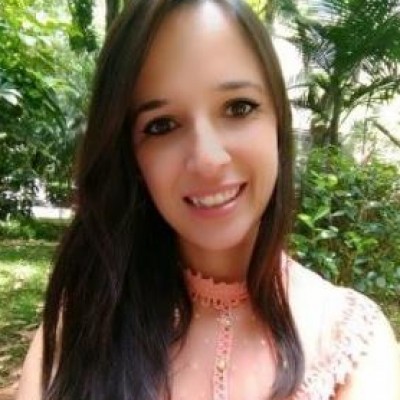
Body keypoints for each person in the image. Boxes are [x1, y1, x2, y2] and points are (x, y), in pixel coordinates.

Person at [16, 0, 400, 399]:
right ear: (129, 156)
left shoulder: (352, 344)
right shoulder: (81, 325)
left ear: (278, 122)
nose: (208, 159)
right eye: (161, 125)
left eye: (239, 107)